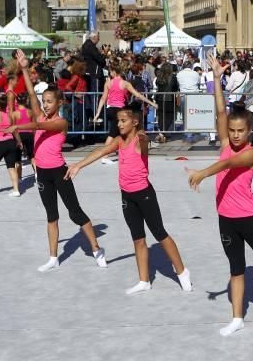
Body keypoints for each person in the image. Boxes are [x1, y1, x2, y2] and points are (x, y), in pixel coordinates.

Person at [186, 54, 253, 337]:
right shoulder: (225, 141)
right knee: (236, 269)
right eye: (232, 131)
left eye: (240, 131)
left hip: (249, 218)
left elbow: (227, 164)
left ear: (249, 131)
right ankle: (237, 317)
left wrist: (202, 173)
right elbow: (221, 112)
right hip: (226, 219)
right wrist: (215, 78)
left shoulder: (251, 152)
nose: (234, 135)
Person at [66, 108, 192, 295]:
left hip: (145, 195)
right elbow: (101, 151)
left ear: (134, 122)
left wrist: (143, 138)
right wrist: (78, 165)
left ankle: (182, 272)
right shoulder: (118, 140)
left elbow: (143, 144)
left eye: (123, 120)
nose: (119, 124)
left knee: (159, 233)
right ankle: (144, 280)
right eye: (118, 121)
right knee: (138, 238)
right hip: (127, 196)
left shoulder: (140, 138)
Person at [6, 50, 106, 272]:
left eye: (50, 101)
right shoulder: (40, 114)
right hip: (43, 173)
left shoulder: (61, 122)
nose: (45, 105)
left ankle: (97, 248)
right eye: (44, 101)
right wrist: (23, 67)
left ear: (59, 102)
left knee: (75, 213)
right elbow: (31, 95)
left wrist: (18, 126)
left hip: (60, 172)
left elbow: (40, 127)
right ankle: (53, 257)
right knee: (51, 216)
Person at [94, 63, 158, 164]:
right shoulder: (125, 83)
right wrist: (151, 103)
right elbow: (138, 95)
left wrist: (97, 113)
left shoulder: (108, 83)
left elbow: (103, 98)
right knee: (113, 133)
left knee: (119, 133)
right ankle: (105, 156)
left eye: (110, 71)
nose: (110, 73)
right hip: (119, 110)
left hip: (110, 109)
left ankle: (123, 152)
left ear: (114, 72)